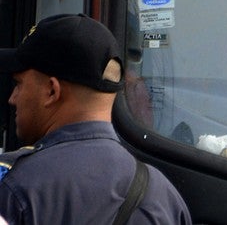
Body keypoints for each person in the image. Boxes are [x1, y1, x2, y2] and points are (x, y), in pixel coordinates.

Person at [0, 13, 191, 225]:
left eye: (19, 84)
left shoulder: (14, 185)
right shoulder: (163, 196)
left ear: (52, 91)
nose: (12, 98)